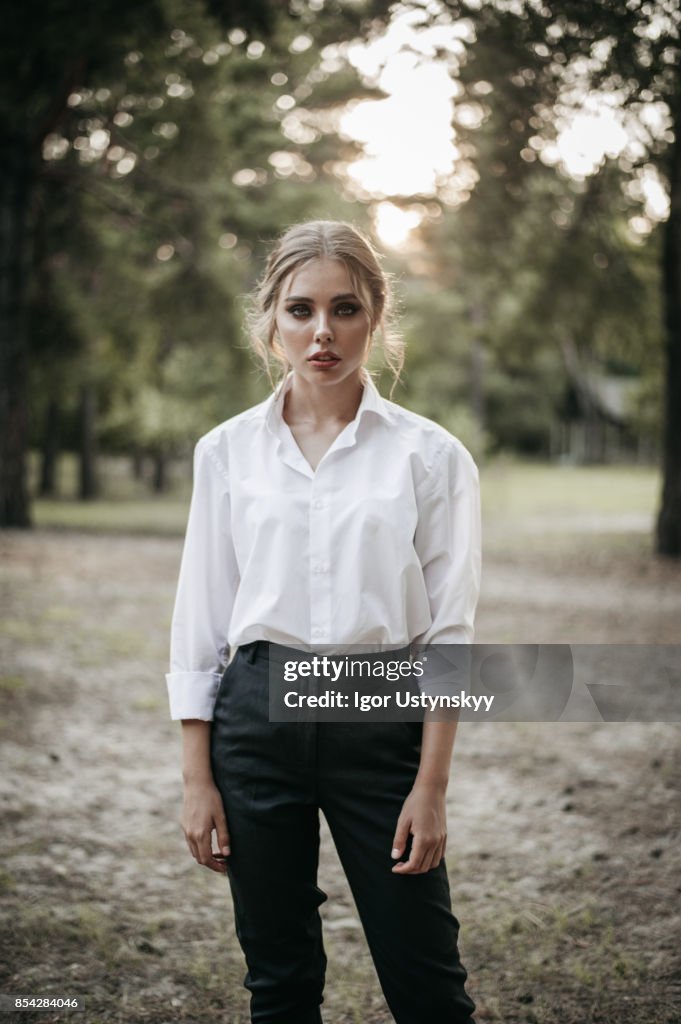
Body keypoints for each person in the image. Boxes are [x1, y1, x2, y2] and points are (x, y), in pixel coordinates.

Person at [166, 220, 482, 1024]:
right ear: (269, 321)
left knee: (427, 986)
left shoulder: (432, 457)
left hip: (379, 717)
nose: (322, 333)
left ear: (374, 317)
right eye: (300, 310)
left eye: (344, 309)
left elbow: (448, 636)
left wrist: (431, 788)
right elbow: (201, 618)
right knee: (279, 986)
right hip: (255, 722)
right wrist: (198, 777)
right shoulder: (225, 452)